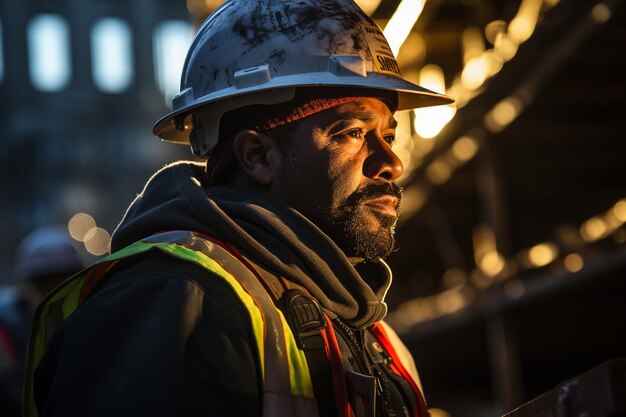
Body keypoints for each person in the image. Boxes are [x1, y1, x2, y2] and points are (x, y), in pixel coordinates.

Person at [24, 1, 453, 416]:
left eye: (389, 136)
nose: (391, 164)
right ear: (257, 157)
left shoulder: (370, 329)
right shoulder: (174, 299)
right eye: (353, 132)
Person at [0, 226, 83, 417]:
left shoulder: (84, 321)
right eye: (47, 282)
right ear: (31, 285)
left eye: (64, 281)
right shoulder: (8, 328)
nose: (55, 291)